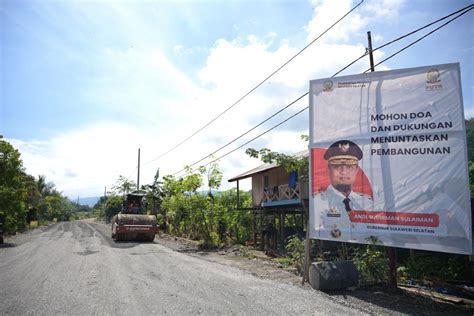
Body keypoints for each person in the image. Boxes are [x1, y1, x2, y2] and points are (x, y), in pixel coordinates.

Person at [313, 140, 373, 239]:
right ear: (328, 170)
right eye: (337, 166)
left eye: (349, 166)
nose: (344, 172)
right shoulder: (317, 202)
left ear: (357, 170)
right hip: (333, 250)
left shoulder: (367, 202)